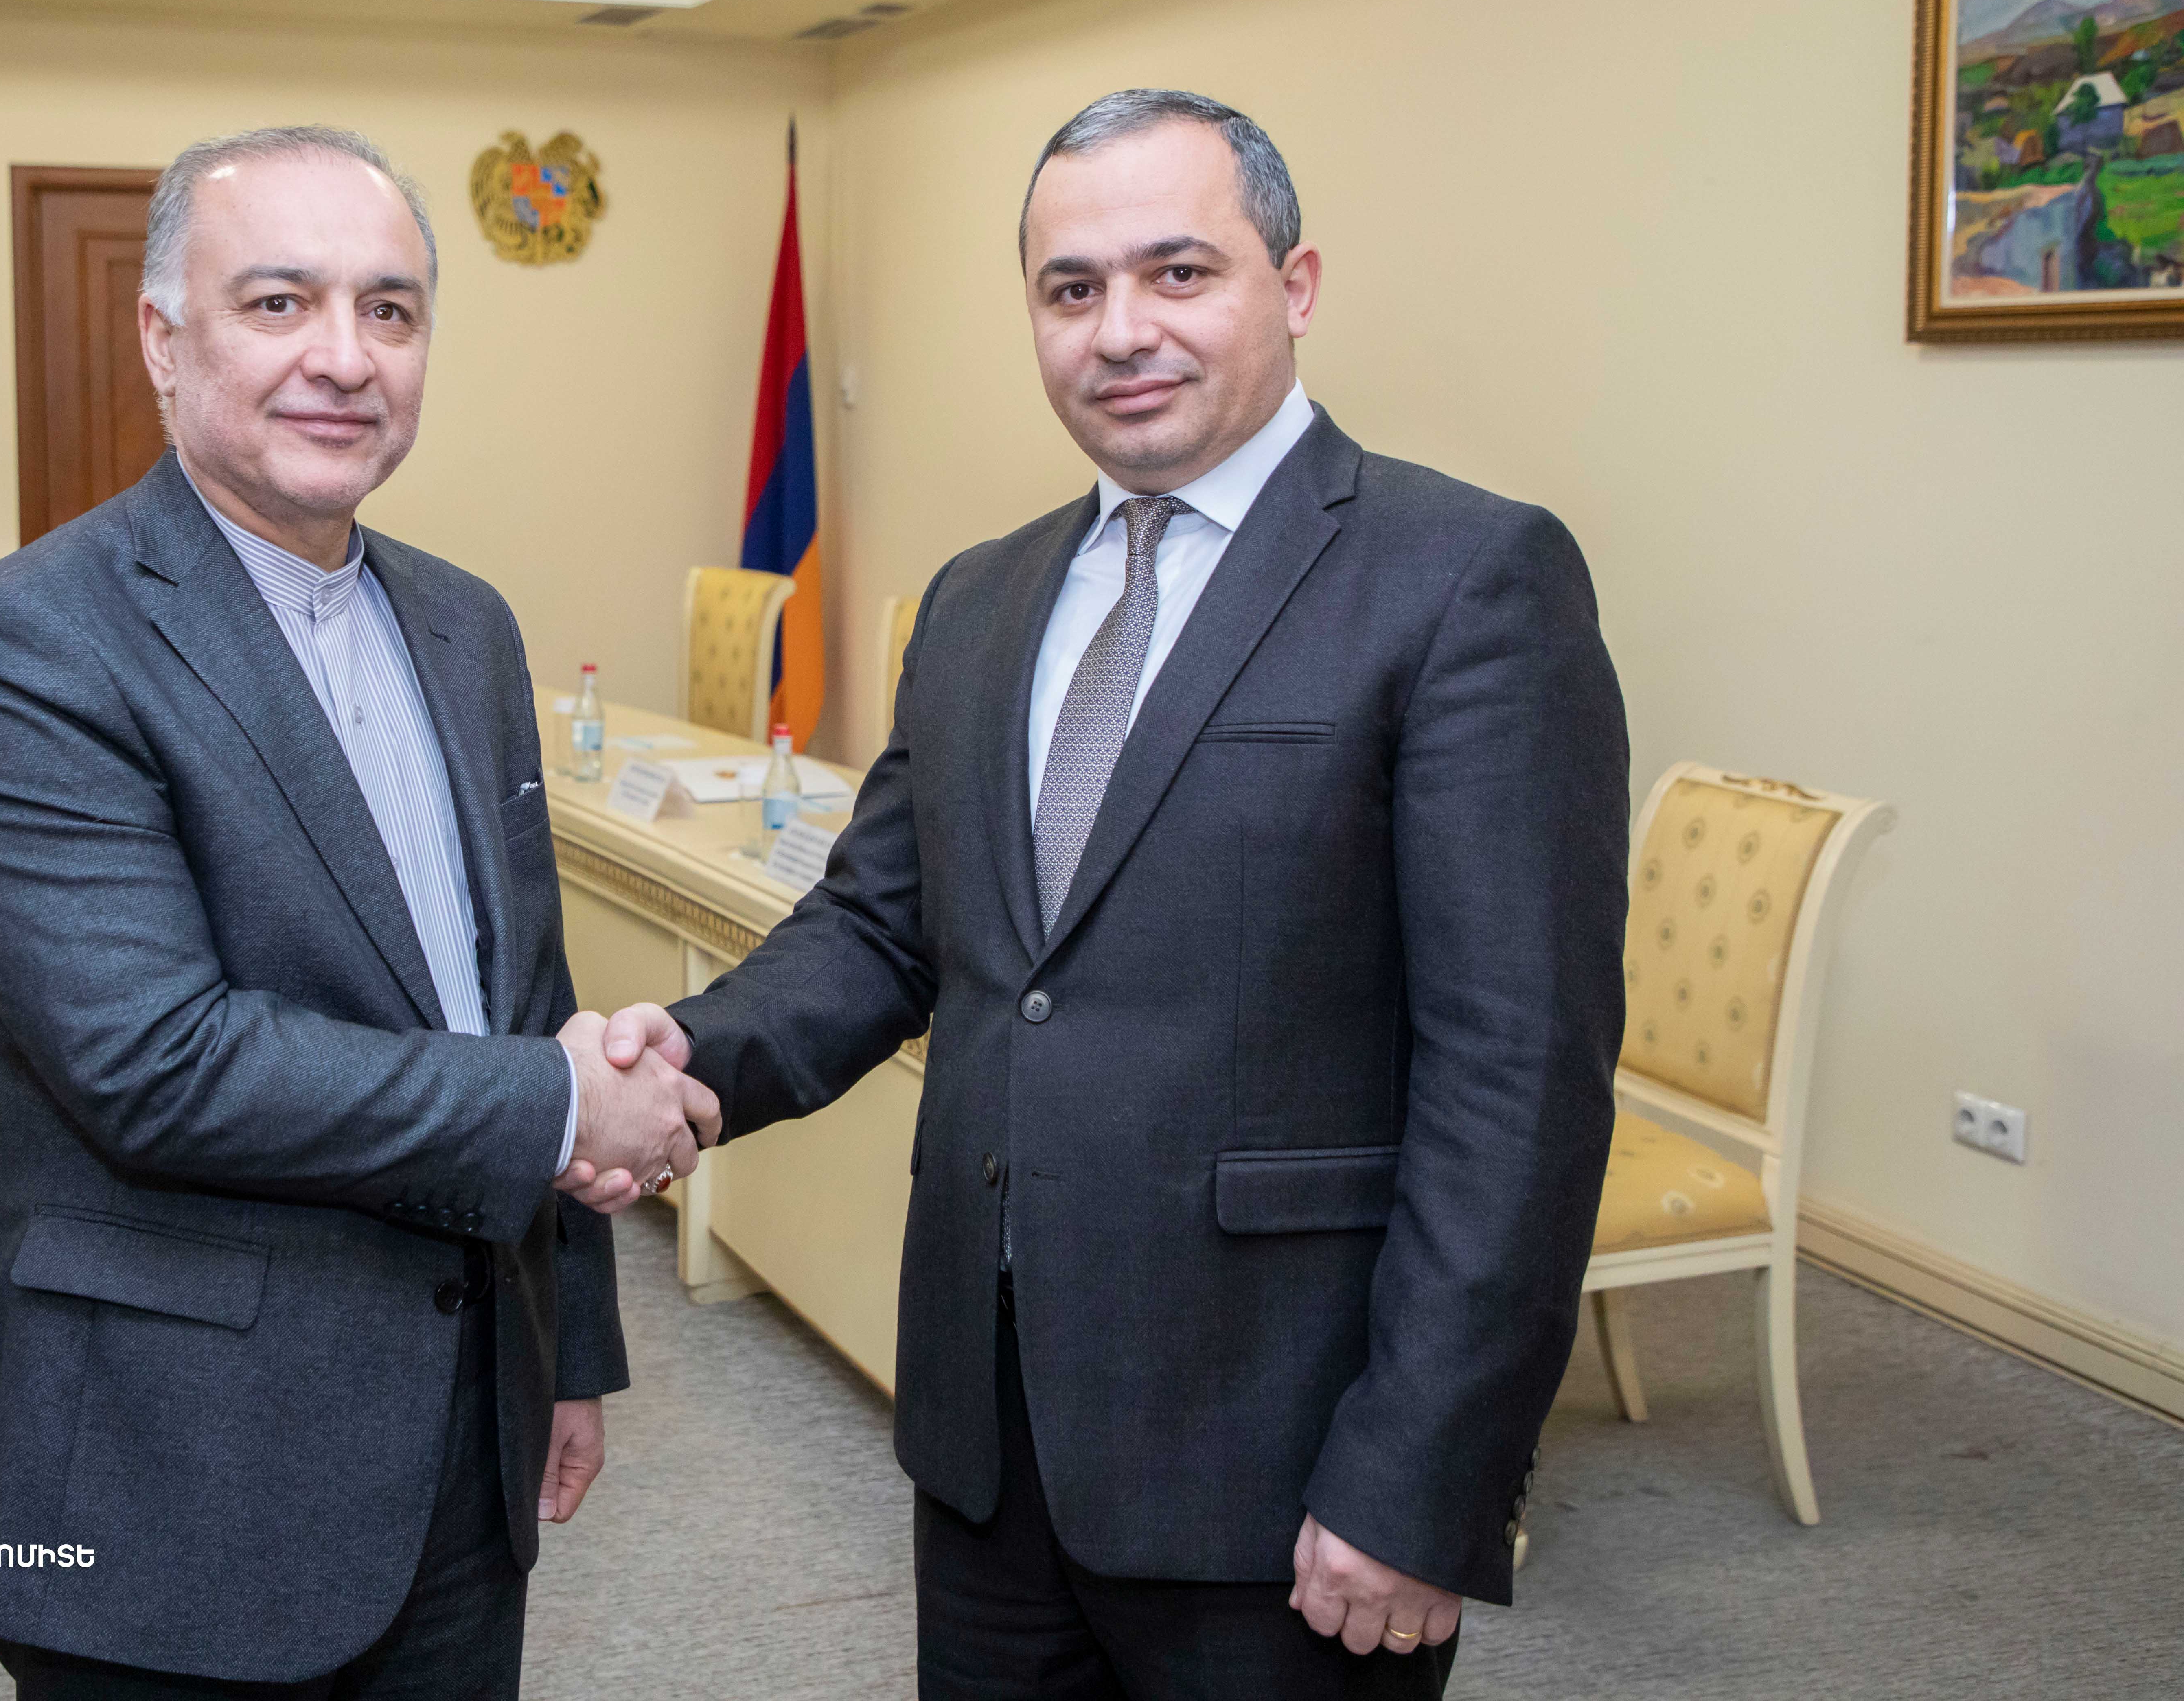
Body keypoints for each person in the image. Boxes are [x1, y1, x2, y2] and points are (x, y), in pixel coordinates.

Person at [602, 90, 1629, 1698]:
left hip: (1282, 1461)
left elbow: (1521, 1076)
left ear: (1295, 286)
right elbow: (882, 926)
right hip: (988, 1434)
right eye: (1070, 288)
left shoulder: (1465, 579)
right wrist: (683, 1065)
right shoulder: (980, 599)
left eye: (1179, 272)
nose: (1121, 330)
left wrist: (1424, 1473)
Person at [0, 124, 715, 1699]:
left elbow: (520, 995)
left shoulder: (466, 626)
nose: (345, 358)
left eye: (390, 310)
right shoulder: (22, 647)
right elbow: (158, 1063)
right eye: (279, 303)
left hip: (462, 1442)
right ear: (163, 337)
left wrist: (569, 1349)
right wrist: (564, 1103)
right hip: (174, 1475)